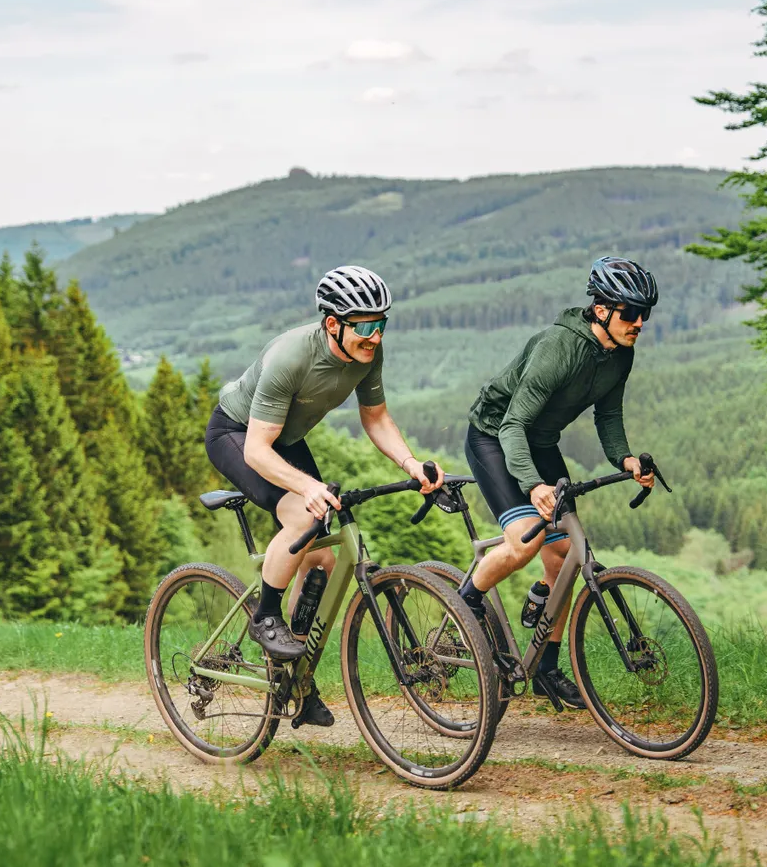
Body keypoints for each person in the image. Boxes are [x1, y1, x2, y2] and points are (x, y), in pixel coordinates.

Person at [204, 265, 443, 728]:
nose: (376, 335)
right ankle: (265, 617)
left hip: (285, 440)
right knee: (302, 516)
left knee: (322, 560)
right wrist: (308, 487)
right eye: (365, 326)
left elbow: (376, 417)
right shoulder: (291, 357)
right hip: (239, 435)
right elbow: (256, 450)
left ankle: (294, 679)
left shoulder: (368, 352)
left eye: (382, 323)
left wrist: (412, 465)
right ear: (333, 323)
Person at [457, 256, 658, 709]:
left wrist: (626, 459)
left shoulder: (620, 354)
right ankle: (465, 603)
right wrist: (533, 486)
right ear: (601, 309)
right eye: (631, 312)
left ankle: (545, 669)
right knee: (524, 543)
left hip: (541, 443)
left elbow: (608, 415)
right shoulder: (558, 348)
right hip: (495, 437)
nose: (640, 322)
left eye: (645, 313)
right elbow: (512, 426)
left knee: (566, 553)